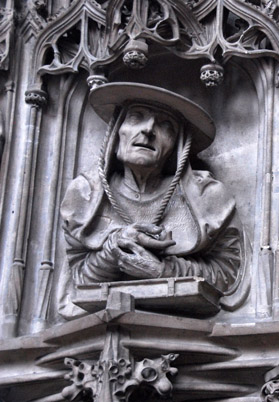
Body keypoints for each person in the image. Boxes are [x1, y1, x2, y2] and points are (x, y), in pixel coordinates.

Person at [60, 83, 241, 299]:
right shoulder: (85, 194)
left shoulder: (208, 197)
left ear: (178, 145)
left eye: (166, 125)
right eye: (136, 117)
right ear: (117, 132)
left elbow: (229, 273)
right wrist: (112, 251)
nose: (148, 130)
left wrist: (164, 271)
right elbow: (76, 281)